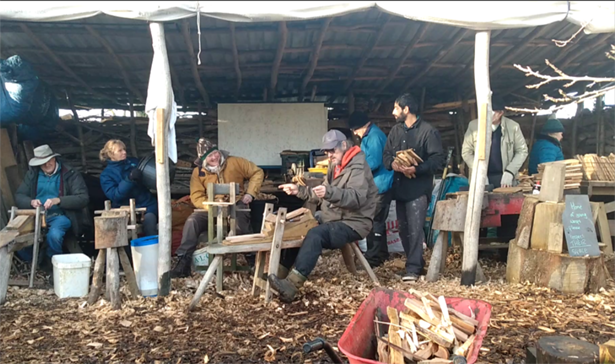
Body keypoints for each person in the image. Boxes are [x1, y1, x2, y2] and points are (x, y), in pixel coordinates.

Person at [269, 130, 378, 303]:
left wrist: (330, 192)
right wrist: (300, 191)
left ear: (344, 145)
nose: (329, 154)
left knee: (316, 234)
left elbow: (356, 199)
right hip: (334, 218)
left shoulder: (358, 167)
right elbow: (322, 193)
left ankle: (292, 285)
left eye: (332, 150)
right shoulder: (336, 165)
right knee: (300, 226)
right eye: (326, 151)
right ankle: (278, 275)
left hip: (354, 223)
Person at [170, 138, 264, 278]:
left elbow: (257, 172)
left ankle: (252, 260)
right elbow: (196, 195)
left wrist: (250, 194)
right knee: (192, 221)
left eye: (215, 153)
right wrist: (208, 205)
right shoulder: (198, 173)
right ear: (203, 159)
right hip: (211, 206)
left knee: (241, 222)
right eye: (209, 156)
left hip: (236, 202)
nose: (214, 157)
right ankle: (183, 261)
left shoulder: (235, 162)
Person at [383, 93, 445, 282]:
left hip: (418, 189)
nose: (393, 112)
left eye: (396, 108)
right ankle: (415, 263)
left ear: (406, 109)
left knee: (416, 229)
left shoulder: (428, 131)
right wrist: (392, 164)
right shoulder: (395, 131)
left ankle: (413, 268)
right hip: (400, 188)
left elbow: (438, 160)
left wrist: (416, 168)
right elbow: (386, 155)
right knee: (403, 229)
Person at [15, 145, 90, 272]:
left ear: (54, 159)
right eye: (42, 163)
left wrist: (59, 200)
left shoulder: (70, 173)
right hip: (36, 215)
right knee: (17, 237)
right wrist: (30, 202)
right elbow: (19, 195)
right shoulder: (33, 174)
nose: (46, 164)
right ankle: (34, 263)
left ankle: (53, 263)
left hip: (61, 215)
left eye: (48, 160)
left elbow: (83, 198)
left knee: (54, 235)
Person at [348, 111, 394, 268]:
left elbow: (372, 163)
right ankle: (381, 254)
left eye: (355, 130)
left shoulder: (373, 137)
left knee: (373, 221)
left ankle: (373, 258)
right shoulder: (372, 135)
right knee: (378, 221)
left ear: (362, 126)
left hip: (379, 185)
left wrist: (354, 169)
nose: (355, 133)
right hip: (378, 184)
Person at [461, 95, 528, 188]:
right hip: (481, 178)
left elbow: (522, 151)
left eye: (493, 112)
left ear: (500, 113)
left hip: (504, 177)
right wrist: (479, 172)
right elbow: (466, 152)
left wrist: (510, 171)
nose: (489, 114)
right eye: (487, 111)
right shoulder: (473, 126)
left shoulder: (513, 127)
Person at [99, 140, 158, 236]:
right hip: (123, 210)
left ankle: (153, 249)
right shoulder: (106, 175)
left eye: (124, 149)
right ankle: (128, 251)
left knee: (150, 223)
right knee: (121, 234)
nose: (124, 152)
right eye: (120, 150)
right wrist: (129, 180)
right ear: (111, 154)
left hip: (146, 205)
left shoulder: (134, 163)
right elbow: (115, 195)